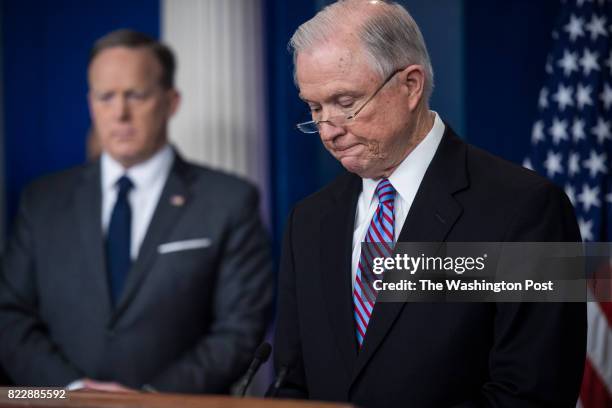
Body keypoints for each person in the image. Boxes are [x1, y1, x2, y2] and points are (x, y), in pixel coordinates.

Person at [272, 1, 586, 407]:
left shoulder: (528, 209)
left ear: (410, 86)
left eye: (346, 102)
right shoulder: (308, 220)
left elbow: (533, 393)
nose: (329, 130)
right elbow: (290, 383)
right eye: (315, 108)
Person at [0, 29, 272, 393]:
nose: (120, 113)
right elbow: (10, 315)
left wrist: (148, 400)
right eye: (106, 97)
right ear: (90, 103)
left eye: (136, 95)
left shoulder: (229, 200)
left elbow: (240, 328)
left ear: (171, 101)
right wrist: (73, 390)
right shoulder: (42, 200)